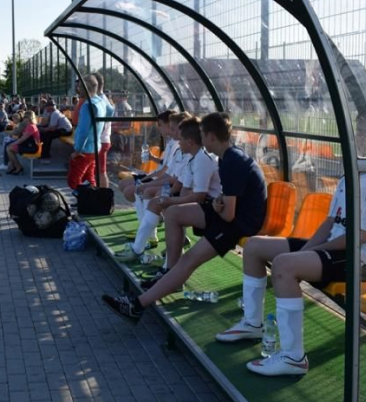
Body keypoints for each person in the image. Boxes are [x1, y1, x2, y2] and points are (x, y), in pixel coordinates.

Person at [216, 106, 366, 377]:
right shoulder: (354, 171)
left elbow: (357, 238)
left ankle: (294, 358)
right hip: (336, 246)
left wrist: (307, 254)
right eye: (359, 127)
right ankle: (252, 323)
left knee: (284, 265)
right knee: (255, 246)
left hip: (361, 259)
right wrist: (307, 249)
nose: (358, 133)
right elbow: (330, 222)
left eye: (365, 129)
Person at [102, 112, 267, 321]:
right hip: (229, 215)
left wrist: (217, 206)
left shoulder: (231, 160)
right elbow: (227, 198)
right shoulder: (228, 156)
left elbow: (228, 215)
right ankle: (169, 272)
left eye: (203, 134)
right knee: (173, 213)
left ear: (211, 136)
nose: (200, 138)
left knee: (188, 260)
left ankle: (138, 305)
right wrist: (217, 202)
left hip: (239, 224)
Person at [114, 117, 221, 264]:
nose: (179, 141)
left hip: (214, 207)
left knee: (170, 211)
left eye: (181, 138)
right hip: (203, 201)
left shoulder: (202, 158)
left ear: (189, 141)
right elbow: (181, 186)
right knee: (159, 203)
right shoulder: (192, 157)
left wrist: (170, 201)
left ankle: (167, 264)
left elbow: (199, 196)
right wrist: (168, 199)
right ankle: (141, 251)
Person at [67, 75, 107, 190]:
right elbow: (110, 111)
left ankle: (85, 202)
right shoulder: (100, 102)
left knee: (73, 180)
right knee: (88, 178)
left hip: (84, 150)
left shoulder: (88, 105)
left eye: (80, 86)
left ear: (85, 87)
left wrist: (78, 150)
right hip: (95, 147)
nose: (78, 89)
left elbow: (84, 131)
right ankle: (92, 202)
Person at [95, 74, 115, 187]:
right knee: (99, 170)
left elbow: (102, 124)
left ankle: (104, 196)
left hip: (101, 141)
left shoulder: (101, 101)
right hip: (102, 140)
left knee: (101, 171)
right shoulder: (102, 100)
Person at [5, 111, 40, 175]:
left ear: (29, 118)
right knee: (8, 147)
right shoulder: (29, 125)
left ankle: (17, 166)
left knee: (9, 148)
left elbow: (22, 139)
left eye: (25, 117)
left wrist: (13, 143)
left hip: (32, 147)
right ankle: (14, 165)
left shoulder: (31, 127)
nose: (24, 119)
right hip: (28, 145)